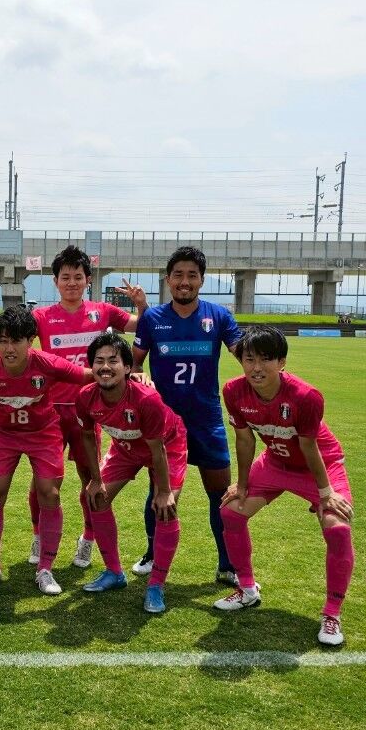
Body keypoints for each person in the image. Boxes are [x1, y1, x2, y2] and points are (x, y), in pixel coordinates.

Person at [214, 326, 355, 647]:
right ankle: (247, 589)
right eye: (249, 359)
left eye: (266, 359)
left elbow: (309, 446)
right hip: (275, 462)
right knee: (231, 512)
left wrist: (325, 494)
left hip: (320, 465)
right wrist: (242, 484)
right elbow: (245, 439)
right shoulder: (233, 390)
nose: (256, 367)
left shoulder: (306, 396)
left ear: (281, 362)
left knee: (337, 529)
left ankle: (332, 613)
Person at [0, 306, 93, 595]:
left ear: (30, 340)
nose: (9, 348)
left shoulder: (47, 363)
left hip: (43, 434)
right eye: (2, 341)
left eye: (16, 341)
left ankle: (45, 569)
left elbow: (87, 375)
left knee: (49, 493)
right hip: (3, 435)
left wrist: (130, 374)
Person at [130, 246, 242, 585]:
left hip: (207, 421)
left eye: (192, 275)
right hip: (164, 424)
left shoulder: (218, 316)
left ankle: (227, 564)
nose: (185, 281)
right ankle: (152, 553)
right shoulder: (153, 318)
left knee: (220, 494)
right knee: (159, 491)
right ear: (168, 279)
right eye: (178, 274)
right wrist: (139, 374)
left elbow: (244, 354)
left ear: (202, 280)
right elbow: (135, 363)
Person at [30, 245, 146, 570]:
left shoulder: (103, 311)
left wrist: (141, 304)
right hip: (50, 411)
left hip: (89, 411)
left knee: (91, 478)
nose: (72, 282)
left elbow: (140, 325)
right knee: (43, 480)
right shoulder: (41, 317)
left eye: (78, 277)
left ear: (88, 280)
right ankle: (39, 535)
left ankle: (88, 539)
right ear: (55, 281)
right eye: (65, 277)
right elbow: (20, 344)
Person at [74, 332, 187, 614]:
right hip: (125, 446)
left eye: (113, 361)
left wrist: (164, 492)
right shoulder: (86, 397)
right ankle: (114, 572)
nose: (105, 367)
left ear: (127, 367)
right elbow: (87, 436)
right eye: (99, 361)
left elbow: (157, 449)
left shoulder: (147, 399)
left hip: (166, 446)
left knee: (165, 509)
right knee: (95, 498)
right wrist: (95, 480)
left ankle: (156, 585)